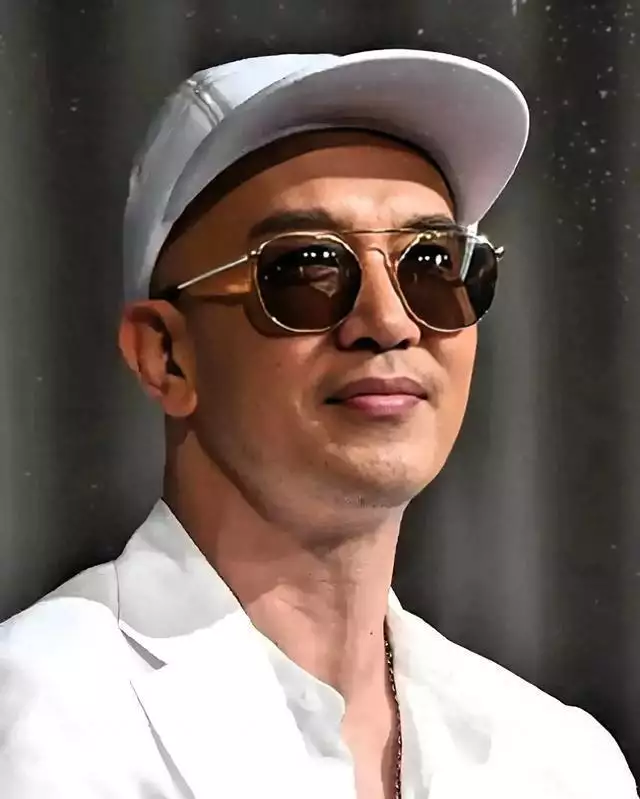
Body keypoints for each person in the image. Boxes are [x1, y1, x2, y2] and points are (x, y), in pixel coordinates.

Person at [0, 50, 635, 799]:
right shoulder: (35, 719)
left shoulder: (559, 762)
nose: (390, 322)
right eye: (306, 269)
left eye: (433, 266)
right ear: (165, 354)